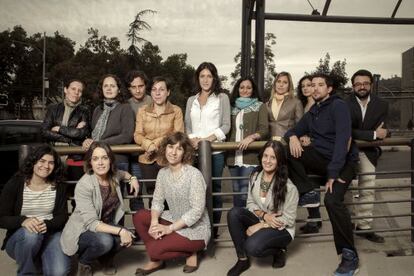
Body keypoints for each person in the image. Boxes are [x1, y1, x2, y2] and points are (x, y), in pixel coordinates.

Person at [284, 73, 359, 276]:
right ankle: (307, 191)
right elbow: (292, 131)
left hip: (343, 163)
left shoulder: (338, 106)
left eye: (319, 85)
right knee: (282, 150)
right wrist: (292, 138)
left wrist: (333, 174)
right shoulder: (314, 111)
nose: (315, 88)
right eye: (312, 85)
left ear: (329, 89)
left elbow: (344, 141)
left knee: (333, 201)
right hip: (321, 161)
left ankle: (349, 257)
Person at [133, 132, 210, 275]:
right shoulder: (162, 173)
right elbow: (157, 201)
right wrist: (154, 223)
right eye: (170, 147)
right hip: (173, 217)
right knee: (139, 216)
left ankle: (191, 251)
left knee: (155, 250)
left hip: (196, 229)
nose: (173, 152)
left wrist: (170, 229)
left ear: (184, 152)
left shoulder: (194, 175)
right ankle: (157, 258)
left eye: (179, 149)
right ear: (165, 148)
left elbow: (196, 211)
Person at [60, 141, 139, 276]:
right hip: (83, 230)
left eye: (104, 158)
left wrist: (132, 178)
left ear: (110, 160)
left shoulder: (113, 176)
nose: (100, 163)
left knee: (129, 236)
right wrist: (120, 230)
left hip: (105, 225)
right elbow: (91, 223)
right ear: (90, 162)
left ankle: (105, 258)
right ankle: (84, 262)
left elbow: (123, 173)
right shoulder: (84, 185)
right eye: (95, 159)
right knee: (106, 241)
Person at [227, 141, 298, 276]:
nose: (268, 161)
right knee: (234, 213)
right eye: (265, 156)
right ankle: (242, 259)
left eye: (273, 157)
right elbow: (250, 203)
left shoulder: (289, 187)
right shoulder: (255, 177)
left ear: (279, 161)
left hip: (282, 228)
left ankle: (279, 250)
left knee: (252, 247)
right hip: (264, 218)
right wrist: (264, 216)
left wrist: (259, 226)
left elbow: (288, 219)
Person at [0, 144, 70, 276]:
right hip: (21, 239)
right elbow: (1, 218)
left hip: (51, 234)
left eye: (51, 163)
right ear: (33, 162)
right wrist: (23, 221)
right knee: (31, 234)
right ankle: (27, 272)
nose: (46, 166)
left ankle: (38, 259)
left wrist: (47, 224)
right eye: (41, 161)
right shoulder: (15, 183)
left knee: (59, 272)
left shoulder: (59, 185)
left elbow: (62, 216)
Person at [185, 61, 230, 237]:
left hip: (215, 152)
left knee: (214, 189)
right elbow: (187, 126)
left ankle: (214, 229)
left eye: (209, 76)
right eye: (202, 76)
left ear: (214, 78)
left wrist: (206, 140)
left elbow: (226, 125)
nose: (205, 79)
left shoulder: (222, 98)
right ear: (198, 78)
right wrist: (193, 139)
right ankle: (197, 229)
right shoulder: (191, 100)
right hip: (193, 151)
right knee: (195, 191)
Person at [346, 69, 389, 243]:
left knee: (368, 188)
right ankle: (346, 223)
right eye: (358, 84)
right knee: (345, 189)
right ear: (353, 86)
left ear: (371, 84)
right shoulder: (343, 104)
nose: (362, 87)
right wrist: (372, 134)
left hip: (368, 153)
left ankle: (364, 227)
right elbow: (347, 130)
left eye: (365, 83)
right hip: (347, 150)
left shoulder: (382, 105)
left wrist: (386, 132)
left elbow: (385, 130)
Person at [134, 76, 184, 207]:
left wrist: (155, 142)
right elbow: (137, 134)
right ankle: (155, 225)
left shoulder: (176, 110)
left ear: (168, 92)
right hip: (147, 159)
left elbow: (178, 134)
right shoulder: (142, 110)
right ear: (150, 92)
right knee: (152, 195)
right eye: (154, 89)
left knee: (169, 196)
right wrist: (147, 144)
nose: (157, 93)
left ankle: (170, 226)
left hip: (168, 158)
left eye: (161, 89)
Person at [227, 76, 269, 207]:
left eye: (248, 87)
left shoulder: (259, 106)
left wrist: (251, 137)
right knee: (236, 192)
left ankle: (247, 224)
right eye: (242, 87)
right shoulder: (231, 107)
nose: (245, 90)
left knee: (245, 192)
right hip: (233, 157)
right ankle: (238, 223)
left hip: (250, 156)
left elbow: (264, 129)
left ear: (253, 90)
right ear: (237, 89)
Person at [82, 74, 135, 172]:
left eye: (113, 86)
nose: (109, 89)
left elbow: (127, 136)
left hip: (117, 159)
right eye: (105, 86)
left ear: (118, 90)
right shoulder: (98, 109)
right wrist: (88, 141)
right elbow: (93, 134)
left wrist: (99, 143)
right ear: (101, 89)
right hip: (98, 159)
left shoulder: (125, 108)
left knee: (117, 187)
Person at [42, 79, 91, 180]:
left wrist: (60, 129)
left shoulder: (84, 111)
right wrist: (69, 138)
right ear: (65, 89)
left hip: (75, 156)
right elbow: (45, 132)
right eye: (73, 89)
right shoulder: (53, 108)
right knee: (55, 188)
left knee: (74, 189)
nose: (76, 92)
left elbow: (82, 133)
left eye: (79, 90)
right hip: (53, 154)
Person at [296, 75, 322, 234]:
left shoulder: (320, 105)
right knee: (309, 186)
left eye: (309, 85)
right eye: (303, 86)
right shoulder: (304, 104)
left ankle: (314, 221)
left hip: (315, 150)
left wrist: (311, 139)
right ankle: (315, 219)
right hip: (302, 151)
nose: (306, 88)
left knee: (312, 186)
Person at [126, 70, 152, 211]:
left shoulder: (153, 100)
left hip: (152, 154)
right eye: (133, 87)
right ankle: (139, 229)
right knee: (135, 193)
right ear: (129, 88)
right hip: (134, 155)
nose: (137, 90)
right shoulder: (125, 104)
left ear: (145, 86)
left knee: (155, 192)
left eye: (140, 86)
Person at [266, 71, 303, 139]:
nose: (281, 85)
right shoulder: (267, 104)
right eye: (278, 81)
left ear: (289, 85)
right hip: (269, 142)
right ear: (275, 84)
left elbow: (300, 126)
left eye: (285, 82)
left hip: (287, 142)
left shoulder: (296, 103)